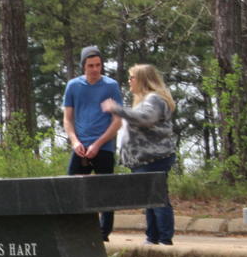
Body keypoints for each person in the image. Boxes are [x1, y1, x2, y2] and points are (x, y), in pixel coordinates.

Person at [102, 65, 177, 246]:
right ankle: (153, 237)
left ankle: (164, 239)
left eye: (132, 78)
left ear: (143, 80)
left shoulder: (155, 99)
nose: (129, 81)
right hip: (145, 160)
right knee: (150, 200)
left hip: (154, 158)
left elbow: (145, 118)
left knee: (157, 199)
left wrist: (118, 109)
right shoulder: (147, 99)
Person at [63, 45, 123, 241]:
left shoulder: (111, 86)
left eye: (98, 65)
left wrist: (98, 144)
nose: (95, 69)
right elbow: (68, 118)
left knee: (105, 191)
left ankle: (104, 233)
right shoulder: (73, 86)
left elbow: (117, 121)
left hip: (103, 146)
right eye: (91, 65)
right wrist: (74, 141)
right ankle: (77, 230)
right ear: (83, 66)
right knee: (72, 189)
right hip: (80, 146)